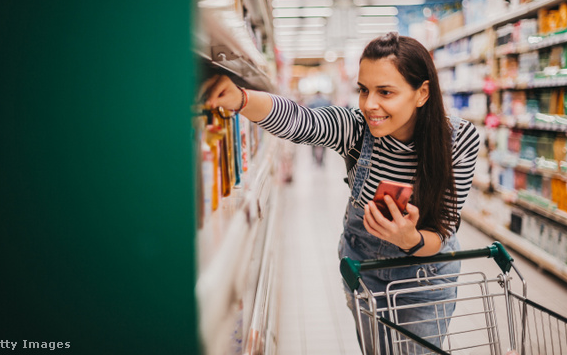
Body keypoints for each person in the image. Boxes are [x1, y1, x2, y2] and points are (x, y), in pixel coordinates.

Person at [204, 32, 480, 354]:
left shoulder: (457, 140)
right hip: (364, 268)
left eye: (385, 92)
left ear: (422, 93)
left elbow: (444, 227)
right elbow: (299, 120)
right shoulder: (356, 128)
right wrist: (241, 99)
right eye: (363, 90)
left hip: (425, 274)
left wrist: (410, 240)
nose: (369, 105)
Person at [306, 91, 332, 166]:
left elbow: (307, 114)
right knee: (324, 144)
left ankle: (314, 159)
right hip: (324, 127)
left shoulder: (311, 102)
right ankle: (322, 160)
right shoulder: (326, 102)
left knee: (313, 144)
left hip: (313, 127)